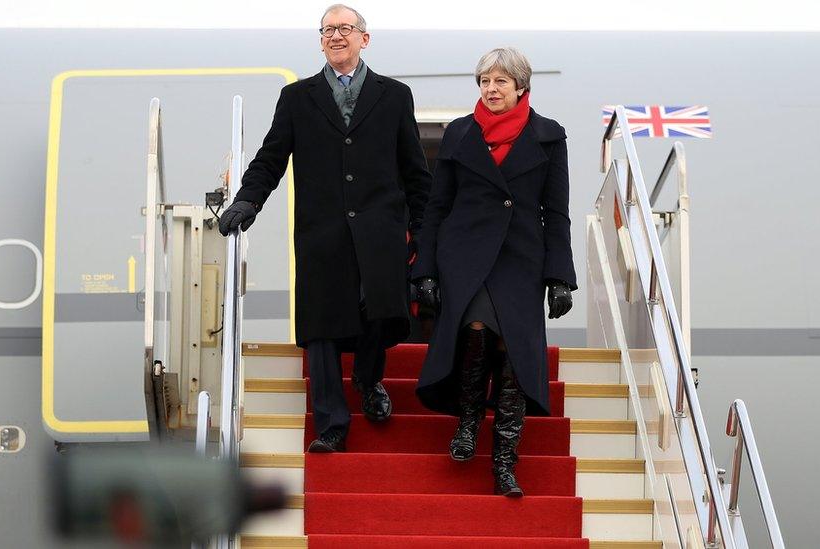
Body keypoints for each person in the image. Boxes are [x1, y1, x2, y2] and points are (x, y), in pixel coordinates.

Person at [218, 4, 432, 453]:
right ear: (320, 41)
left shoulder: (394, 96)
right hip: (322, 232)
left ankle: (370, 380)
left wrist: (426, 234)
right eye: (327, 30)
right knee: (322, 327)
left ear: (364, 38)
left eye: (345, 29)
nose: (336, 36)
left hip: (380, 230)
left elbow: (415, 171)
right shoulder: (297, 97)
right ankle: (332, 423)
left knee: (378, 312)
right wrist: (247, 200)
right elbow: (271, 157)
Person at [412, 47, 576, 497]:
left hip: (521, 259)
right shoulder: (460, 133)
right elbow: (437, 206)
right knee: (478, 331)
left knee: (513, 358)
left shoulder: (548, 135)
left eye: (501, 81)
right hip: (464, 255)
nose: (491, 88)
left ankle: (505, 461)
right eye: (485, 81)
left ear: (521, 86)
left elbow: (555, 212)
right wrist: (423, 267)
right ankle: (467, 423)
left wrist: (560, 276)